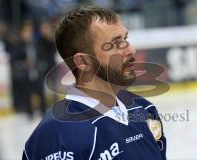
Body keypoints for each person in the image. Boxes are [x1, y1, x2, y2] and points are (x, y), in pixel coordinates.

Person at [23, 6, 166, 160]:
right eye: (115, 44)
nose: (131, 50)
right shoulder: (56, 135)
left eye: (125, 39)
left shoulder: (144, 109)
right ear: (83, 61)